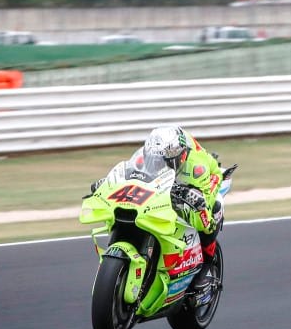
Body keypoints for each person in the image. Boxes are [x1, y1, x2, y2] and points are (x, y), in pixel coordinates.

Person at [93, 124, 225, 290]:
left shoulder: (197, 169)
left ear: (180, 157)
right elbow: (130, 174)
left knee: (206, 215)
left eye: (164, 162)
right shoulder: (149, 155)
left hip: (206, 179)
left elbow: (202, 214)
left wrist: (197, 199)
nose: (157, 164)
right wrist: (108, 184)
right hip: (168, 177)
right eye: (154, 160)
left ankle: (205, 269)